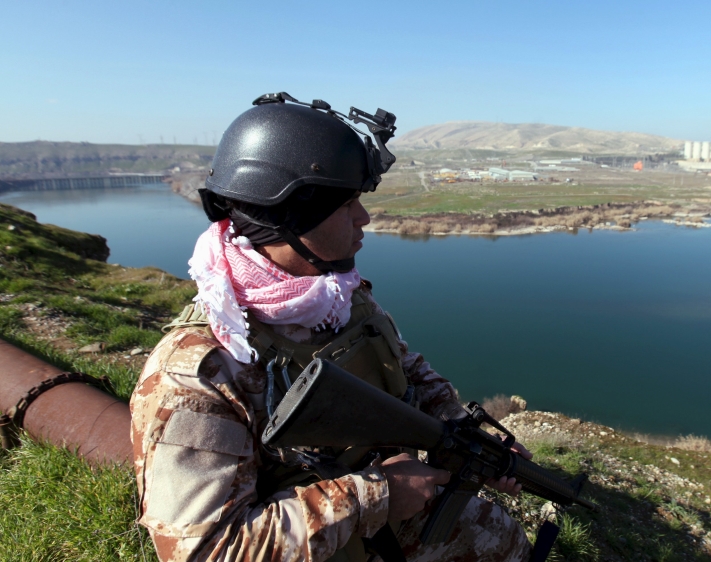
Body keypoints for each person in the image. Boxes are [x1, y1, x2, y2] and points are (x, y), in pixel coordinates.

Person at [130, 93, 532, 562]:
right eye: (346, 205)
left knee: (502, 537)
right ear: (290, 217)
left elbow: (402, 366)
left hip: (378, 515)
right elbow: (206, 551)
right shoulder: (198, 371)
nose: (364, 218)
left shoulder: (338, 296)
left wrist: (464, 432)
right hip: (317, 543)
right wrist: (376, 497)